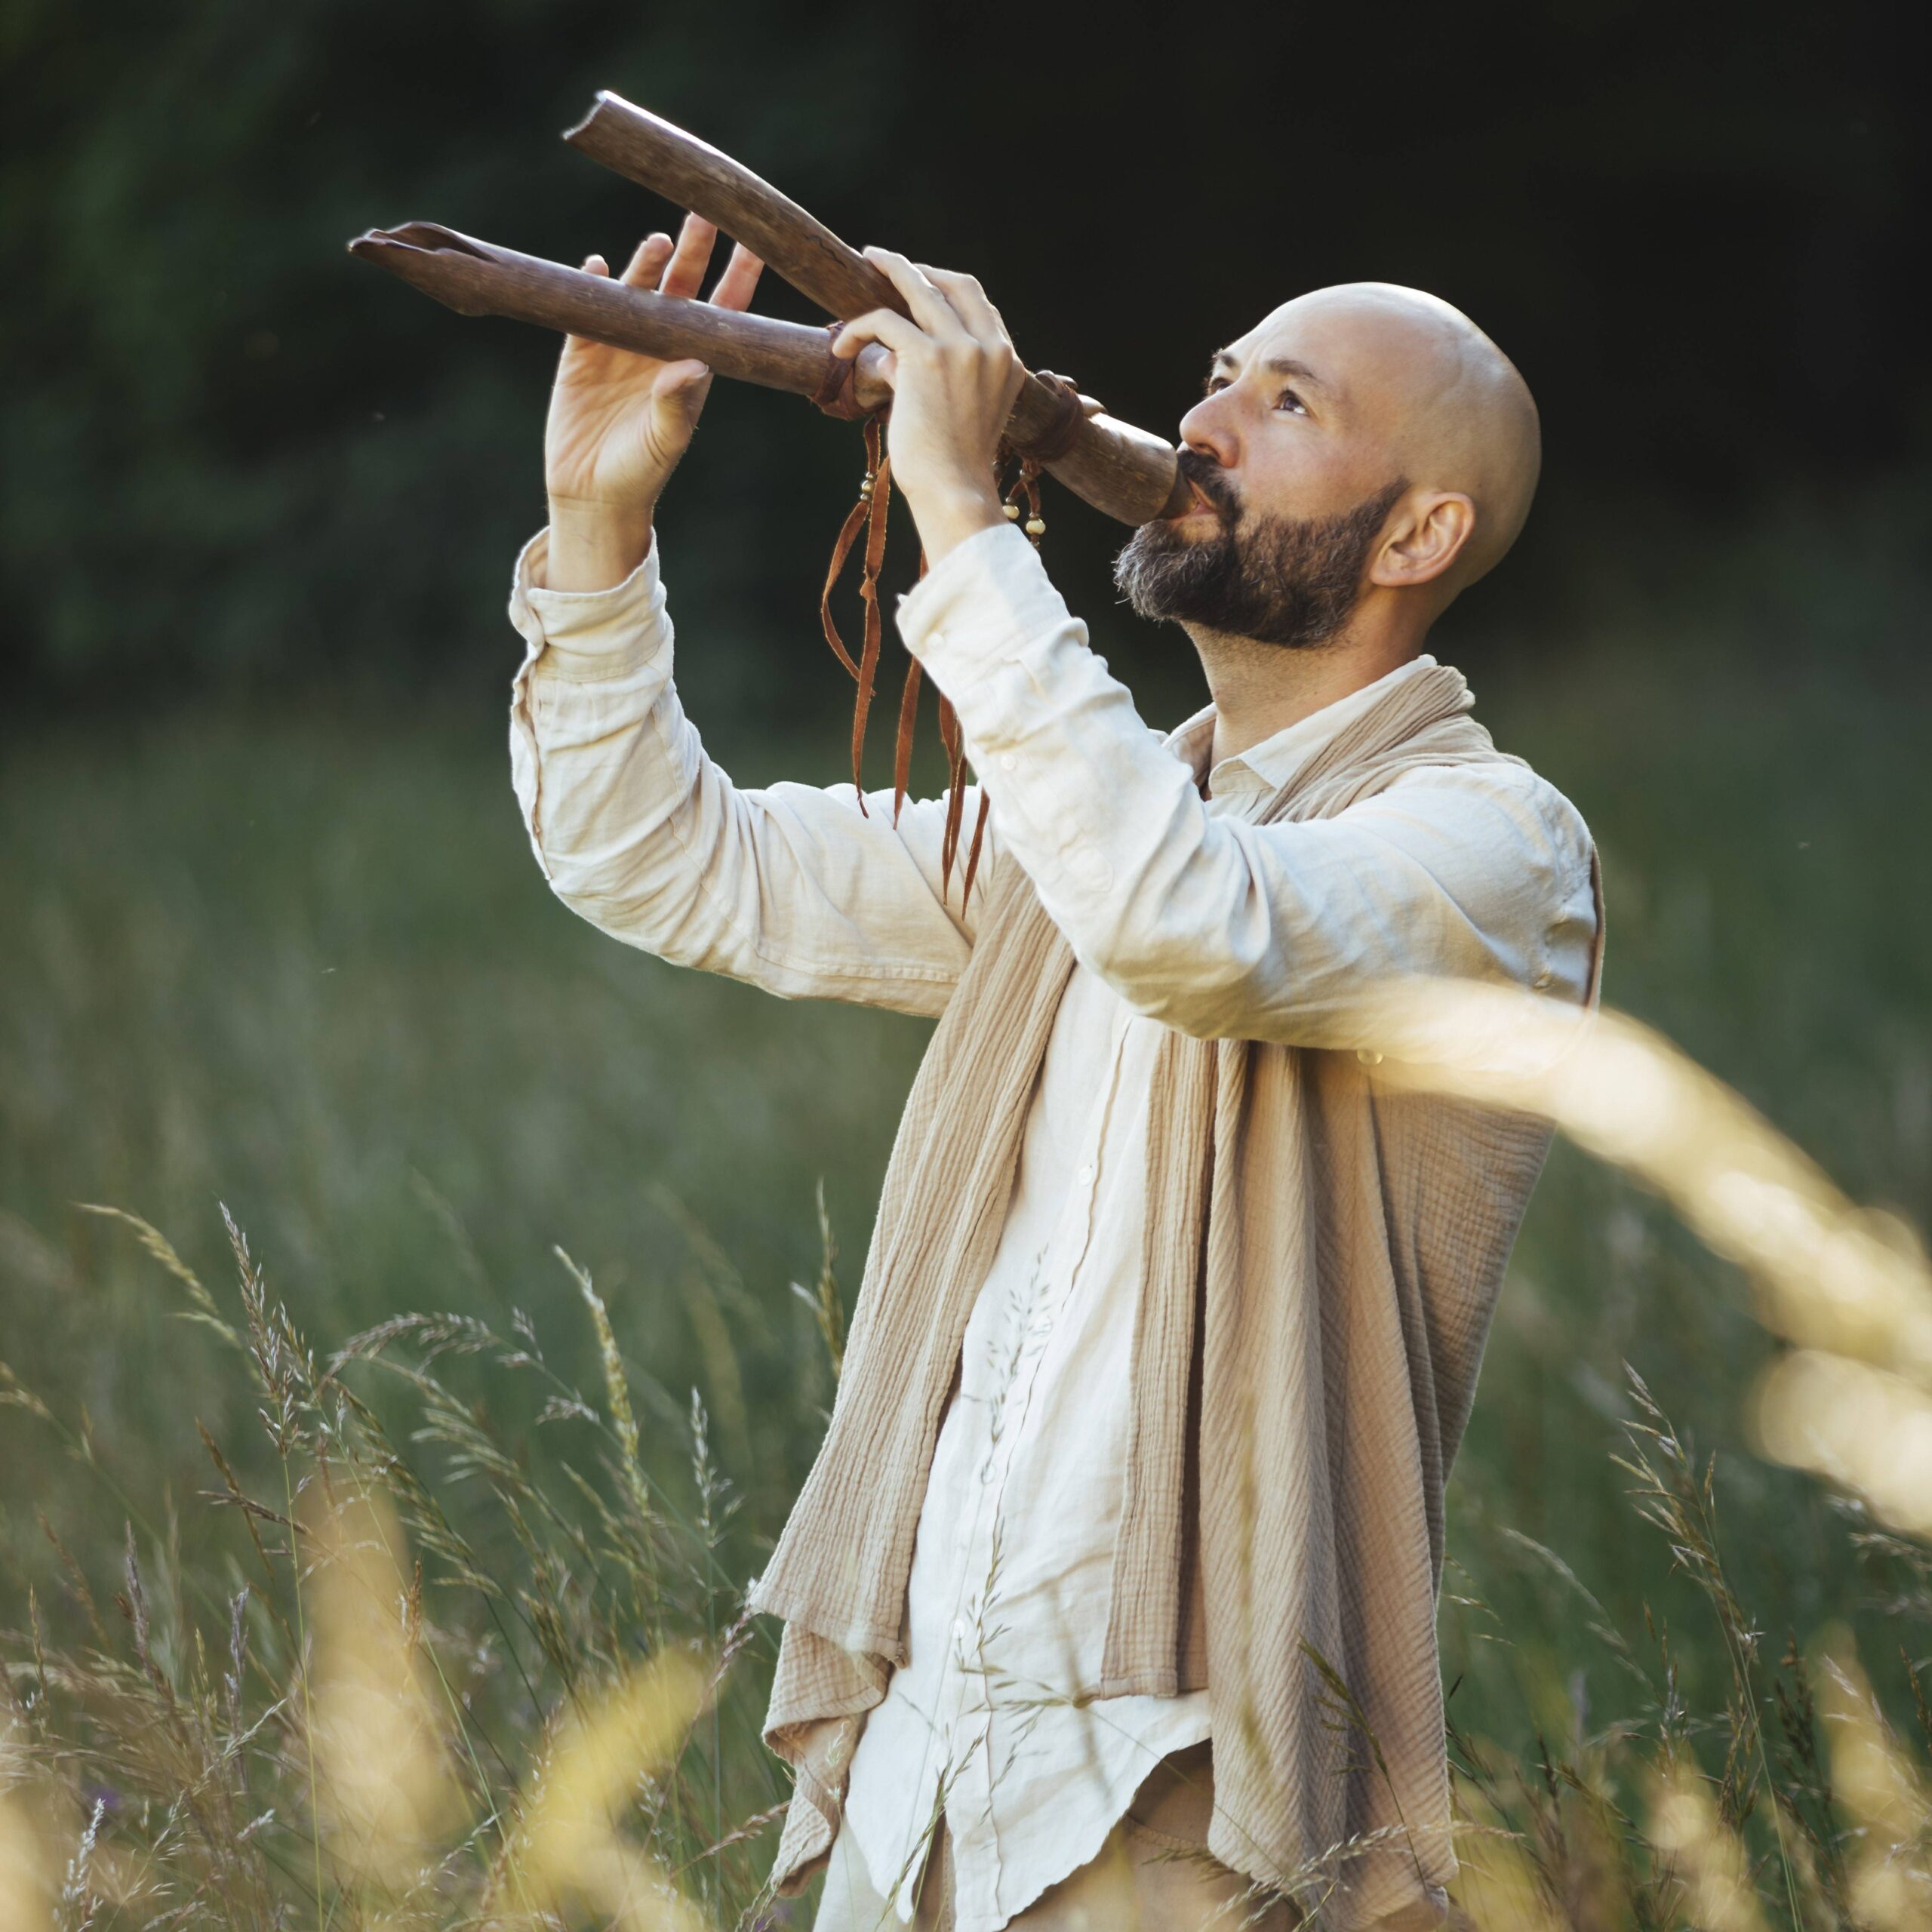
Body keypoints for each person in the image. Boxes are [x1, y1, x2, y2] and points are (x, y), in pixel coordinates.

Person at [509, 214, 1603, 1932]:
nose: (1207, 429)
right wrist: (596, 520)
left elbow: (1186, 919)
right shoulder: (1068, 840)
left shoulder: (1492, 848)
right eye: (1216, 381)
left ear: (1420, 527)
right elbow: (658, 858)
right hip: (922, 1756)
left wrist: (956, 509)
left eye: (1286, 401)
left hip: (1189, 1785)